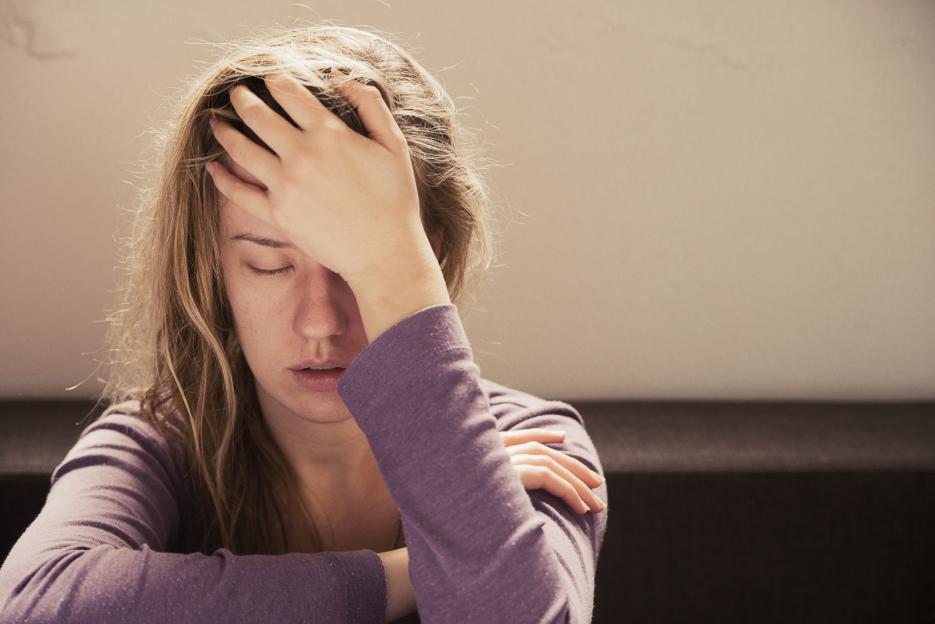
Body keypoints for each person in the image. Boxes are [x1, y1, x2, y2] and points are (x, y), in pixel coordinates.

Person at [0, 21, 607, 623]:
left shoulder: (533, 443)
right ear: (216, 270)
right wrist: (411, 566)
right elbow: (36, 604)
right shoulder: (161, 441)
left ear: (433, 257)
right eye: (268, 265)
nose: (319, 323)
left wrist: (394, 262)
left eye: (354, 266)